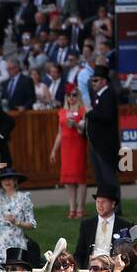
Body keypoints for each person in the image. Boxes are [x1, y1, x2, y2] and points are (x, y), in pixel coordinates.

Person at [50, 83, 89, 220]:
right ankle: (72, 208)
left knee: (80, 178)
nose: (71, 98)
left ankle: (80, 209)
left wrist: (76, 124)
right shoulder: (62, 112)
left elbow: (85, 129)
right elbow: (60, 133)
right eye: (69, 95)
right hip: (66, 147)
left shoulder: (83, 110)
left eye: (74, 95)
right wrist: (54, 150)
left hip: (78, 145)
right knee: (69, 180)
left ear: (78, 96)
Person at [73, 184, 131, 267]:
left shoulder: (125, 226)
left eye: (103, 202)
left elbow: (127, 255)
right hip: (91, 269)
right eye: (97, 202)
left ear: (113, 204)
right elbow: (79, 253)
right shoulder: (87, 225)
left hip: (114, 268)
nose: (99, 205)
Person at [84, 66, 120, 190]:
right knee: (101, 180)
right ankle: (106, 208)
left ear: (104, 81)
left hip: (105, 146)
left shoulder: (108, 94)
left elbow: (107, 116)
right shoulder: (98, 96)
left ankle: (115, 209)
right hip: (97, 144)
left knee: (108, 179)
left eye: (96, 80)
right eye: (92, 80)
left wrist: (90, 113)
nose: (92, 83)